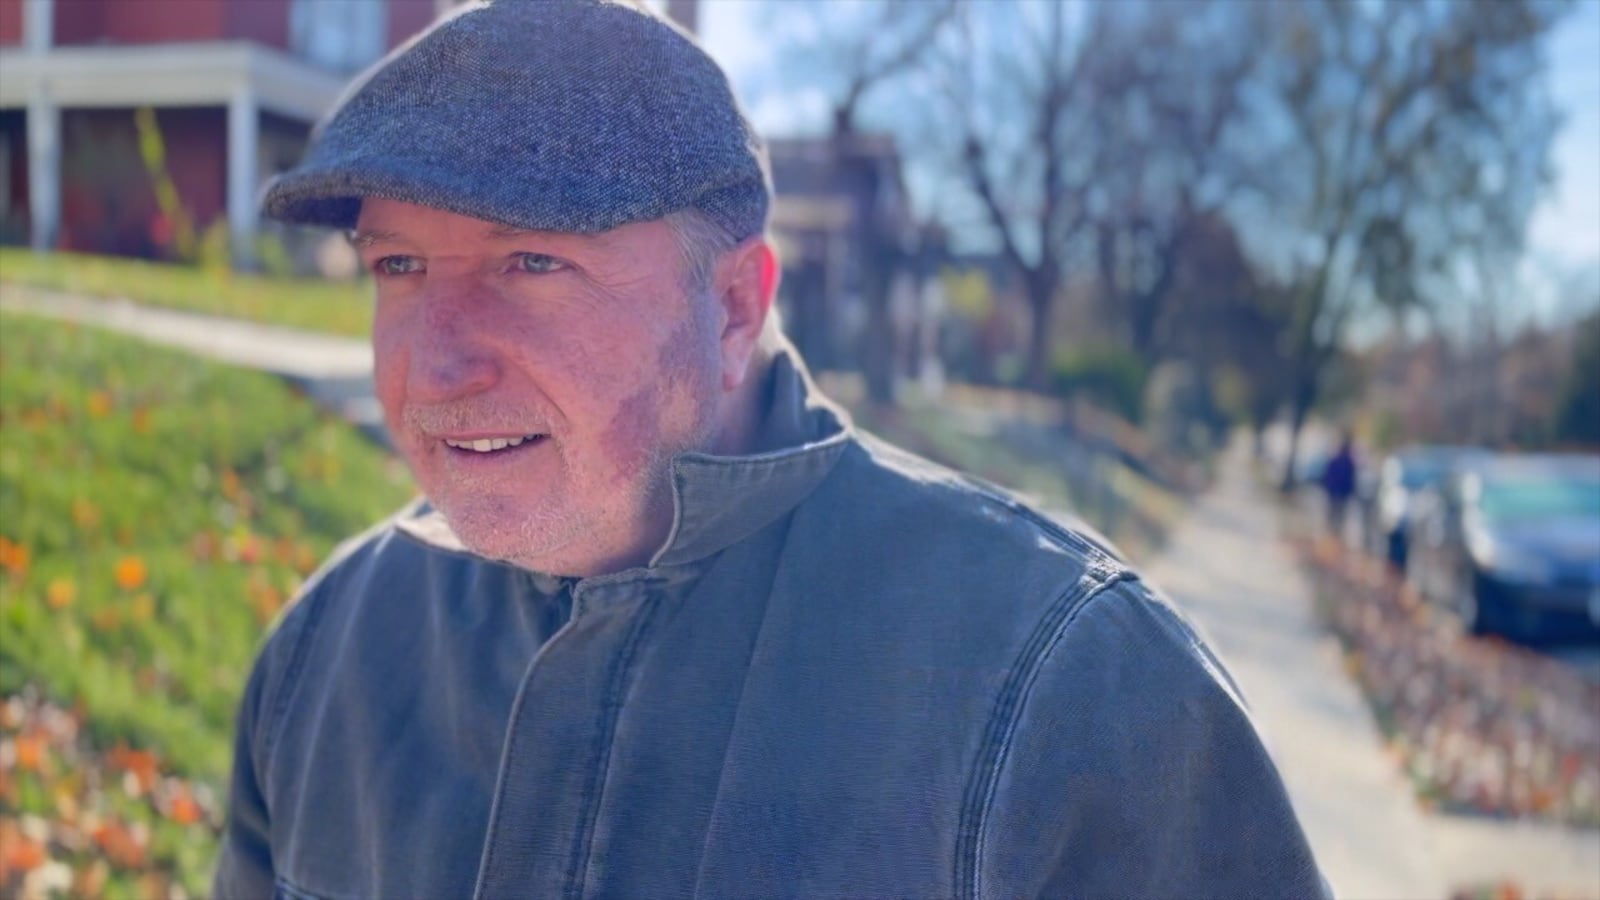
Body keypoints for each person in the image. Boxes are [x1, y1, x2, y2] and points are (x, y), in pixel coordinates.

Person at [214, 1, 1329, 897]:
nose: (439, 366)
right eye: (397, 268)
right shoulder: (328, 654)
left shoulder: (1069, 685)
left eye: (531, 264)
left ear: (736, 305)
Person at [1321, 432, 1359, 541]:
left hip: (1336, 493)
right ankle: (1334, 536)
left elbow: (1328, 475)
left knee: (1334, 516)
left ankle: (1333, 536)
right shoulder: (1348, 462)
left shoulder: (1338, 460)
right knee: (1338, 516)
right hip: (1340, 493)